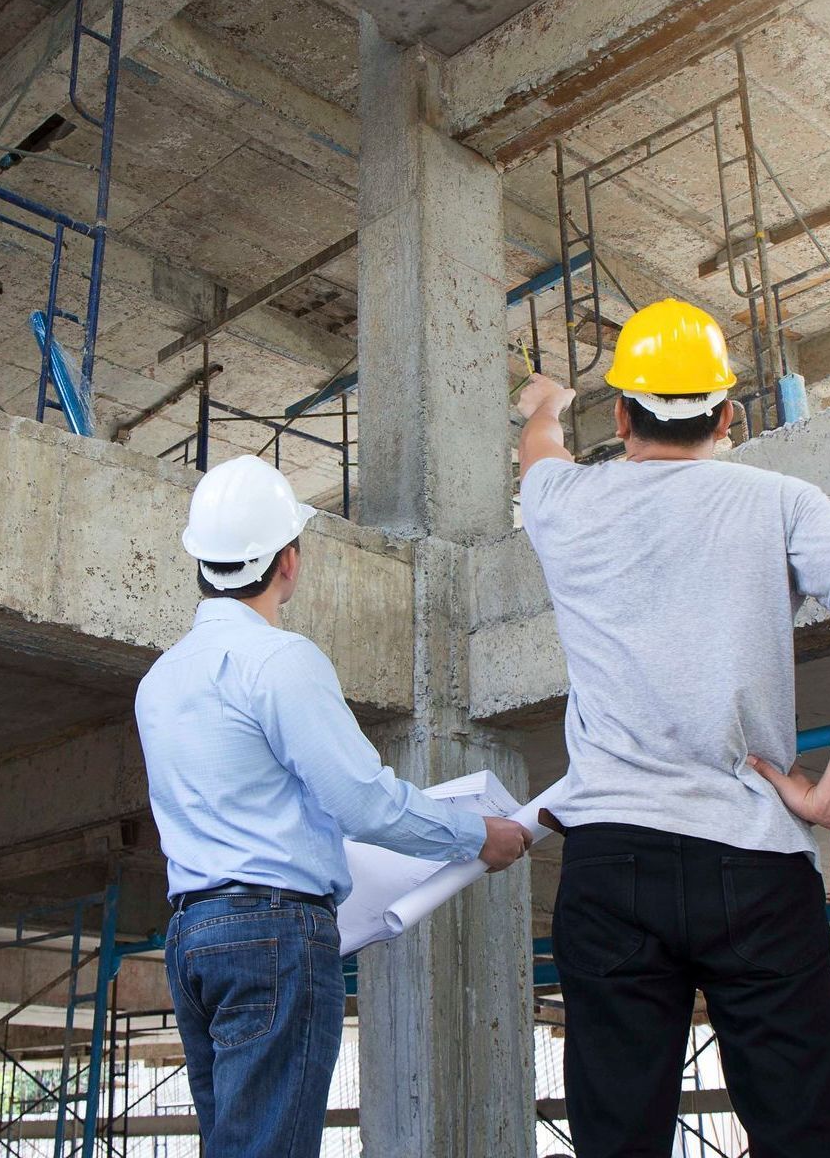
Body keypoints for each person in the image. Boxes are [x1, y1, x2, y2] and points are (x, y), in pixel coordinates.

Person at [516, 298, 830, 1158]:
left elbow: (539, 455)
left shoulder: (564, 502)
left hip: (611, 857)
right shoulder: (779, 499)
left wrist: (546, 406)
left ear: (622, 415)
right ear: (728, 415)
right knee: (800, 1133)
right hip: (754, 858)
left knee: (617, 1136)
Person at [134, 454, 532, 1158]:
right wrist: (477, 837)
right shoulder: (281, 662)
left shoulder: (160, 681)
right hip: (272, 935)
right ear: (289, 561)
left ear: (199, 561)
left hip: (193, 937)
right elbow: (363, 803)